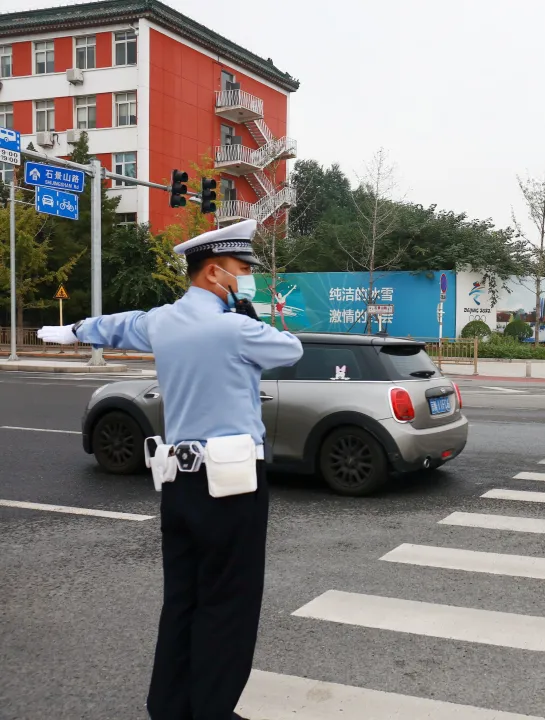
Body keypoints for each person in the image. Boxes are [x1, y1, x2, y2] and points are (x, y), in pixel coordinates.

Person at [37, 219, 303, 720]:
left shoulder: (161, 321)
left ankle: (170, 706)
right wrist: (246, 312)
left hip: (179, 484)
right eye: (242, 271)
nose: (246, 279)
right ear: (213, 272)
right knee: (229, 603)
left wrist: (69, 331)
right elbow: (290, 350)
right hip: (232, 486)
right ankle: (212, 709)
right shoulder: (235, 327)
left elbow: (113, 325)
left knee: (183, 597)